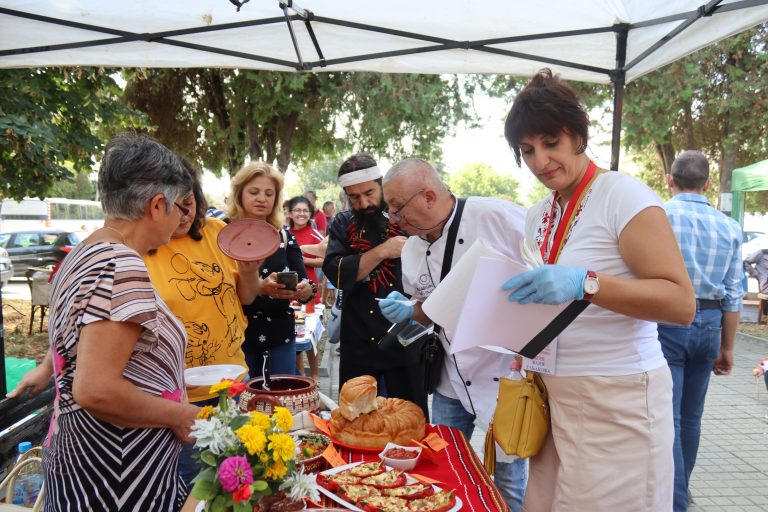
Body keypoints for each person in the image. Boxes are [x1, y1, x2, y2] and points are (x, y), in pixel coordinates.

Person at [500, 69, 695, 512]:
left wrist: (585, 283)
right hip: (551, 396)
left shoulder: (621, 195)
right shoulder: (539, 213)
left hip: (617, 398)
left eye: (551, 143)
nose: (540, 160)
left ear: (578, 135)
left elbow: (681, 304)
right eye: (527, 150)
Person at [8, 131, 201, 511]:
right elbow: (95, 389)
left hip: (91, 460)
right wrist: (183, 413)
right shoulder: (120, 264)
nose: (182, 218)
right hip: (116, 471)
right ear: (158, 205)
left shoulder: (85, 252)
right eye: (180, 207)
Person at [377, 158, 529, 511]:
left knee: (507, 477)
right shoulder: (412, 249)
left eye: (397, 208)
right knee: (442, 462)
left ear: (429, 196)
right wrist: (409, 310)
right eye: (391, 211)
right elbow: (428, 310)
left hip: (504, 375)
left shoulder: (494, 216)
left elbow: (543, 267)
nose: (394, 219)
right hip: (451, 379)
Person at [143, 158, 266, 491]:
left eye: (189, 204)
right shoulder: (142, 248)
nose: (183, 216)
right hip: (182, 399)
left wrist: (250, 270)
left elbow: (246, 297)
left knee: (241, 484)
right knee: (196, 490)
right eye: (174, 207)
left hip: (234, 384)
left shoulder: (217, 233)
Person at [658, 150, 743, 512]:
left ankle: (674, 500)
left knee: (670, 417)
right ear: (707, 184)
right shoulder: (729, 227)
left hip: (666, 323)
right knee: (692, 417)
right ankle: (683, 491)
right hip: (709, 324)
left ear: (669, 180)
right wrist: (728, 348)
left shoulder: (658, 217)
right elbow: (734, 293)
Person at [322, 153, 429, 418]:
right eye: (354, 197)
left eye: (369, 192)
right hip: (358, 340)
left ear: (381, 184)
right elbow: (337, 273)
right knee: (355, 418)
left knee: (410, 417)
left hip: (404, 339)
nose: (364, 203)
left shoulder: (407, 218)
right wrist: (383, 251)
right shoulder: (342, 223)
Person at [226, 162, 315, 379]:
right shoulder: (223, 236)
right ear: (239, 194)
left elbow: (306, 282)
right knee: (242, 405)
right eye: (254, 192)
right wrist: (261, 287)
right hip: (235, 338)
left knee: (279, 402)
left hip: (280, 336)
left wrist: (304, 290)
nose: (262, 198)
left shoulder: (284, 237)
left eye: (269, 193)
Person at [287, 195, 324, 380]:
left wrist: (301, 260)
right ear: (290, 212)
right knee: (296, 335)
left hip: (309, 292)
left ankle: (315, 375)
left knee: (309, 337)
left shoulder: (314, 234)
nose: (301, 214)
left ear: (310, 213)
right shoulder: (285, 233)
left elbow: (326, 260)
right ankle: (301, 374)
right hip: (290, 293)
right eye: (297, 210)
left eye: (305, 211)